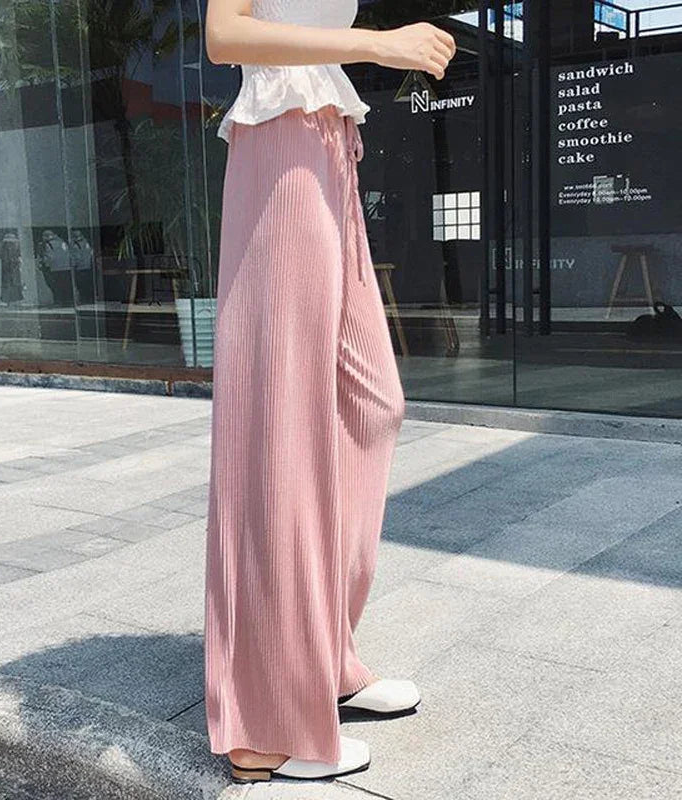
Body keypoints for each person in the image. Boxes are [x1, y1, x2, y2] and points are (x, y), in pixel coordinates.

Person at [204, 0, 456, 785]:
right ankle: (264, 724)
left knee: (370, 403)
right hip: (280, 143)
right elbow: (226, 33)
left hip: (325, 143)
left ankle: (324, 658)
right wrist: (379, 44)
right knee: (282, 425)